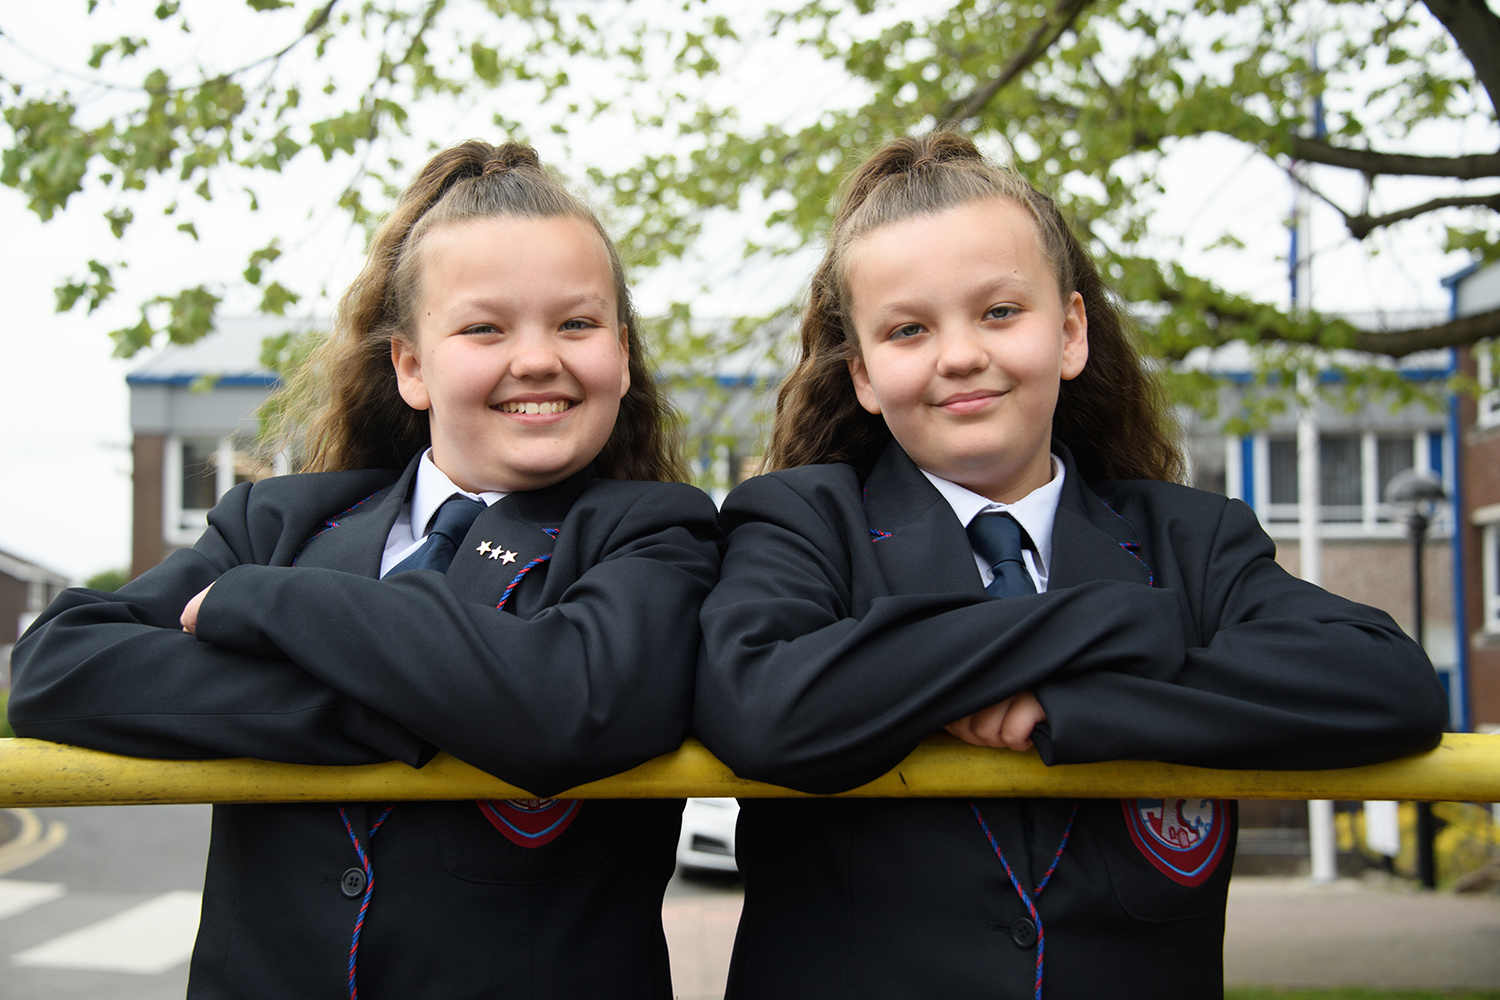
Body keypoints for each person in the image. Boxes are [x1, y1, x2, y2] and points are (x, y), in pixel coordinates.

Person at [693, 130, 1448, 1000]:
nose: (960, 354)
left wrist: (1079, 704)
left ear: (1072, 332)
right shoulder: (800, 520)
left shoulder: (1193, 538)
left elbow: (1390, 684)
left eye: (1000, 312)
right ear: (863, 374)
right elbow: (761, 704)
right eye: (908, 330)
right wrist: (1124, 621)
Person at [11, 140, 721, 1000]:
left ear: (620, 352)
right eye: (484, 327)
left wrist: (269, 603)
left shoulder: (662, 534)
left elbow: (572, 701)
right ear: (412, 366)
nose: (537, 358)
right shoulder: (274, 518)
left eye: (577, 323)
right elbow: (58, 666)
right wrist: (444, 705)